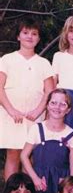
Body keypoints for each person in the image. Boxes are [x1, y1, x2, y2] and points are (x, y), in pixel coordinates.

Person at [0, 17, 54, 181]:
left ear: (38, 38)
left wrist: (38, 111)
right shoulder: (7, 59)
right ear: (18, 36)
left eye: (34, 33)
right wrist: (11, 110)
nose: (29, 36)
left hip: (34, 117)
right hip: (11, 117)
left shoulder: (44, 63)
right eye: (25, 33)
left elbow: (49, 91)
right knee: (13, 154)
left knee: (30, 156)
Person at [20, 89, 73, 193]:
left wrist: (69, 183)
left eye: (63, 104)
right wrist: (35, 179)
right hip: (40, 180)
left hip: (60, 181)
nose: (57, 107)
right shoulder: (37, 129)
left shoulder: (71, 134)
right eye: (53, 103)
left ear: (68, 110)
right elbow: (24, 156)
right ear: (47, 105)